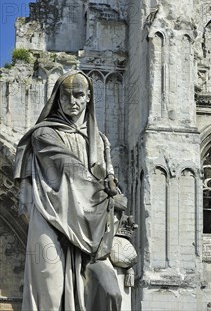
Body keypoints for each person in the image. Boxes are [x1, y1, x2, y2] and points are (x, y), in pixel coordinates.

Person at [14, 70, 128, 311]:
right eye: (66, 96)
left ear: (88, 97)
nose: (72, 102)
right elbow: (70, 170)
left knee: (107, 290)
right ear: (57, 99)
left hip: (88, 223)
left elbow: (108, 178)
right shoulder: (44, 134)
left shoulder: (100, 140)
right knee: (49, 286)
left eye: (78, 95)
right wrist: (107, 199)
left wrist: (112, 188)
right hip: (50, 213)